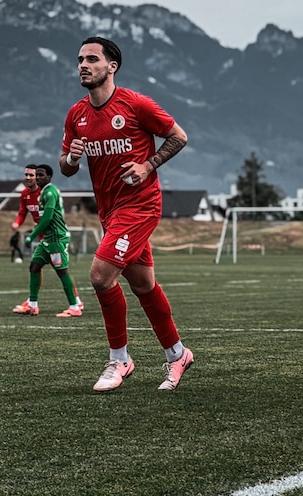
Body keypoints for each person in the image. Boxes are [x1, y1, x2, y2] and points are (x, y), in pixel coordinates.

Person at [60, 36, 194, 393]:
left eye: (92, 59)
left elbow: (179, 136)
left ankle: (119, 359)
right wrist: (72, 157)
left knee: (101, 277)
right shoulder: (77, 114)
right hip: (109, 211)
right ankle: (177, 354)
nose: (83, 65)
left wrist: (148, 165)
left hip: (140, 206)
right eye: (80, 60)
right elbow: (66, 168)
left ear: (111, 66)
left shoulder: (135, 104)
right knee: (143, 285)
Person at [12, 164, 83, 318]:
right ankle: (32, 304)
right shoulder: (40, 193)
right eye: (35, 175)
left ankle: (75, 306)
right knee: (34, 266)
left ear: (49, 177)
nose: (37, 178)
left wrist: (32, 235)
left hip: (56, 239)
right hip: (47, 240)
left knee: (61, 271)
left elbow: (47, 218)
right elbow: (26, 214)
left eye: (40, 175)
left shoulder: (50, 193)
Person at [10, 164, 40, 262]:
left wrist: (41, 224)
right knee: (35, 266)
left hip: (52, 233)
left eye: (31, 175)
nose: (28, 177)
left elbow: (54, 214)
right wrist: (17, 223)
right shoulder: (24, 194)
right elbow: (22, 213)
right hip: (40, 234)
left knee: (59, 267)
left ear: (38, 176)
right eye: (26, 175)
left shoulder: (45, 192)